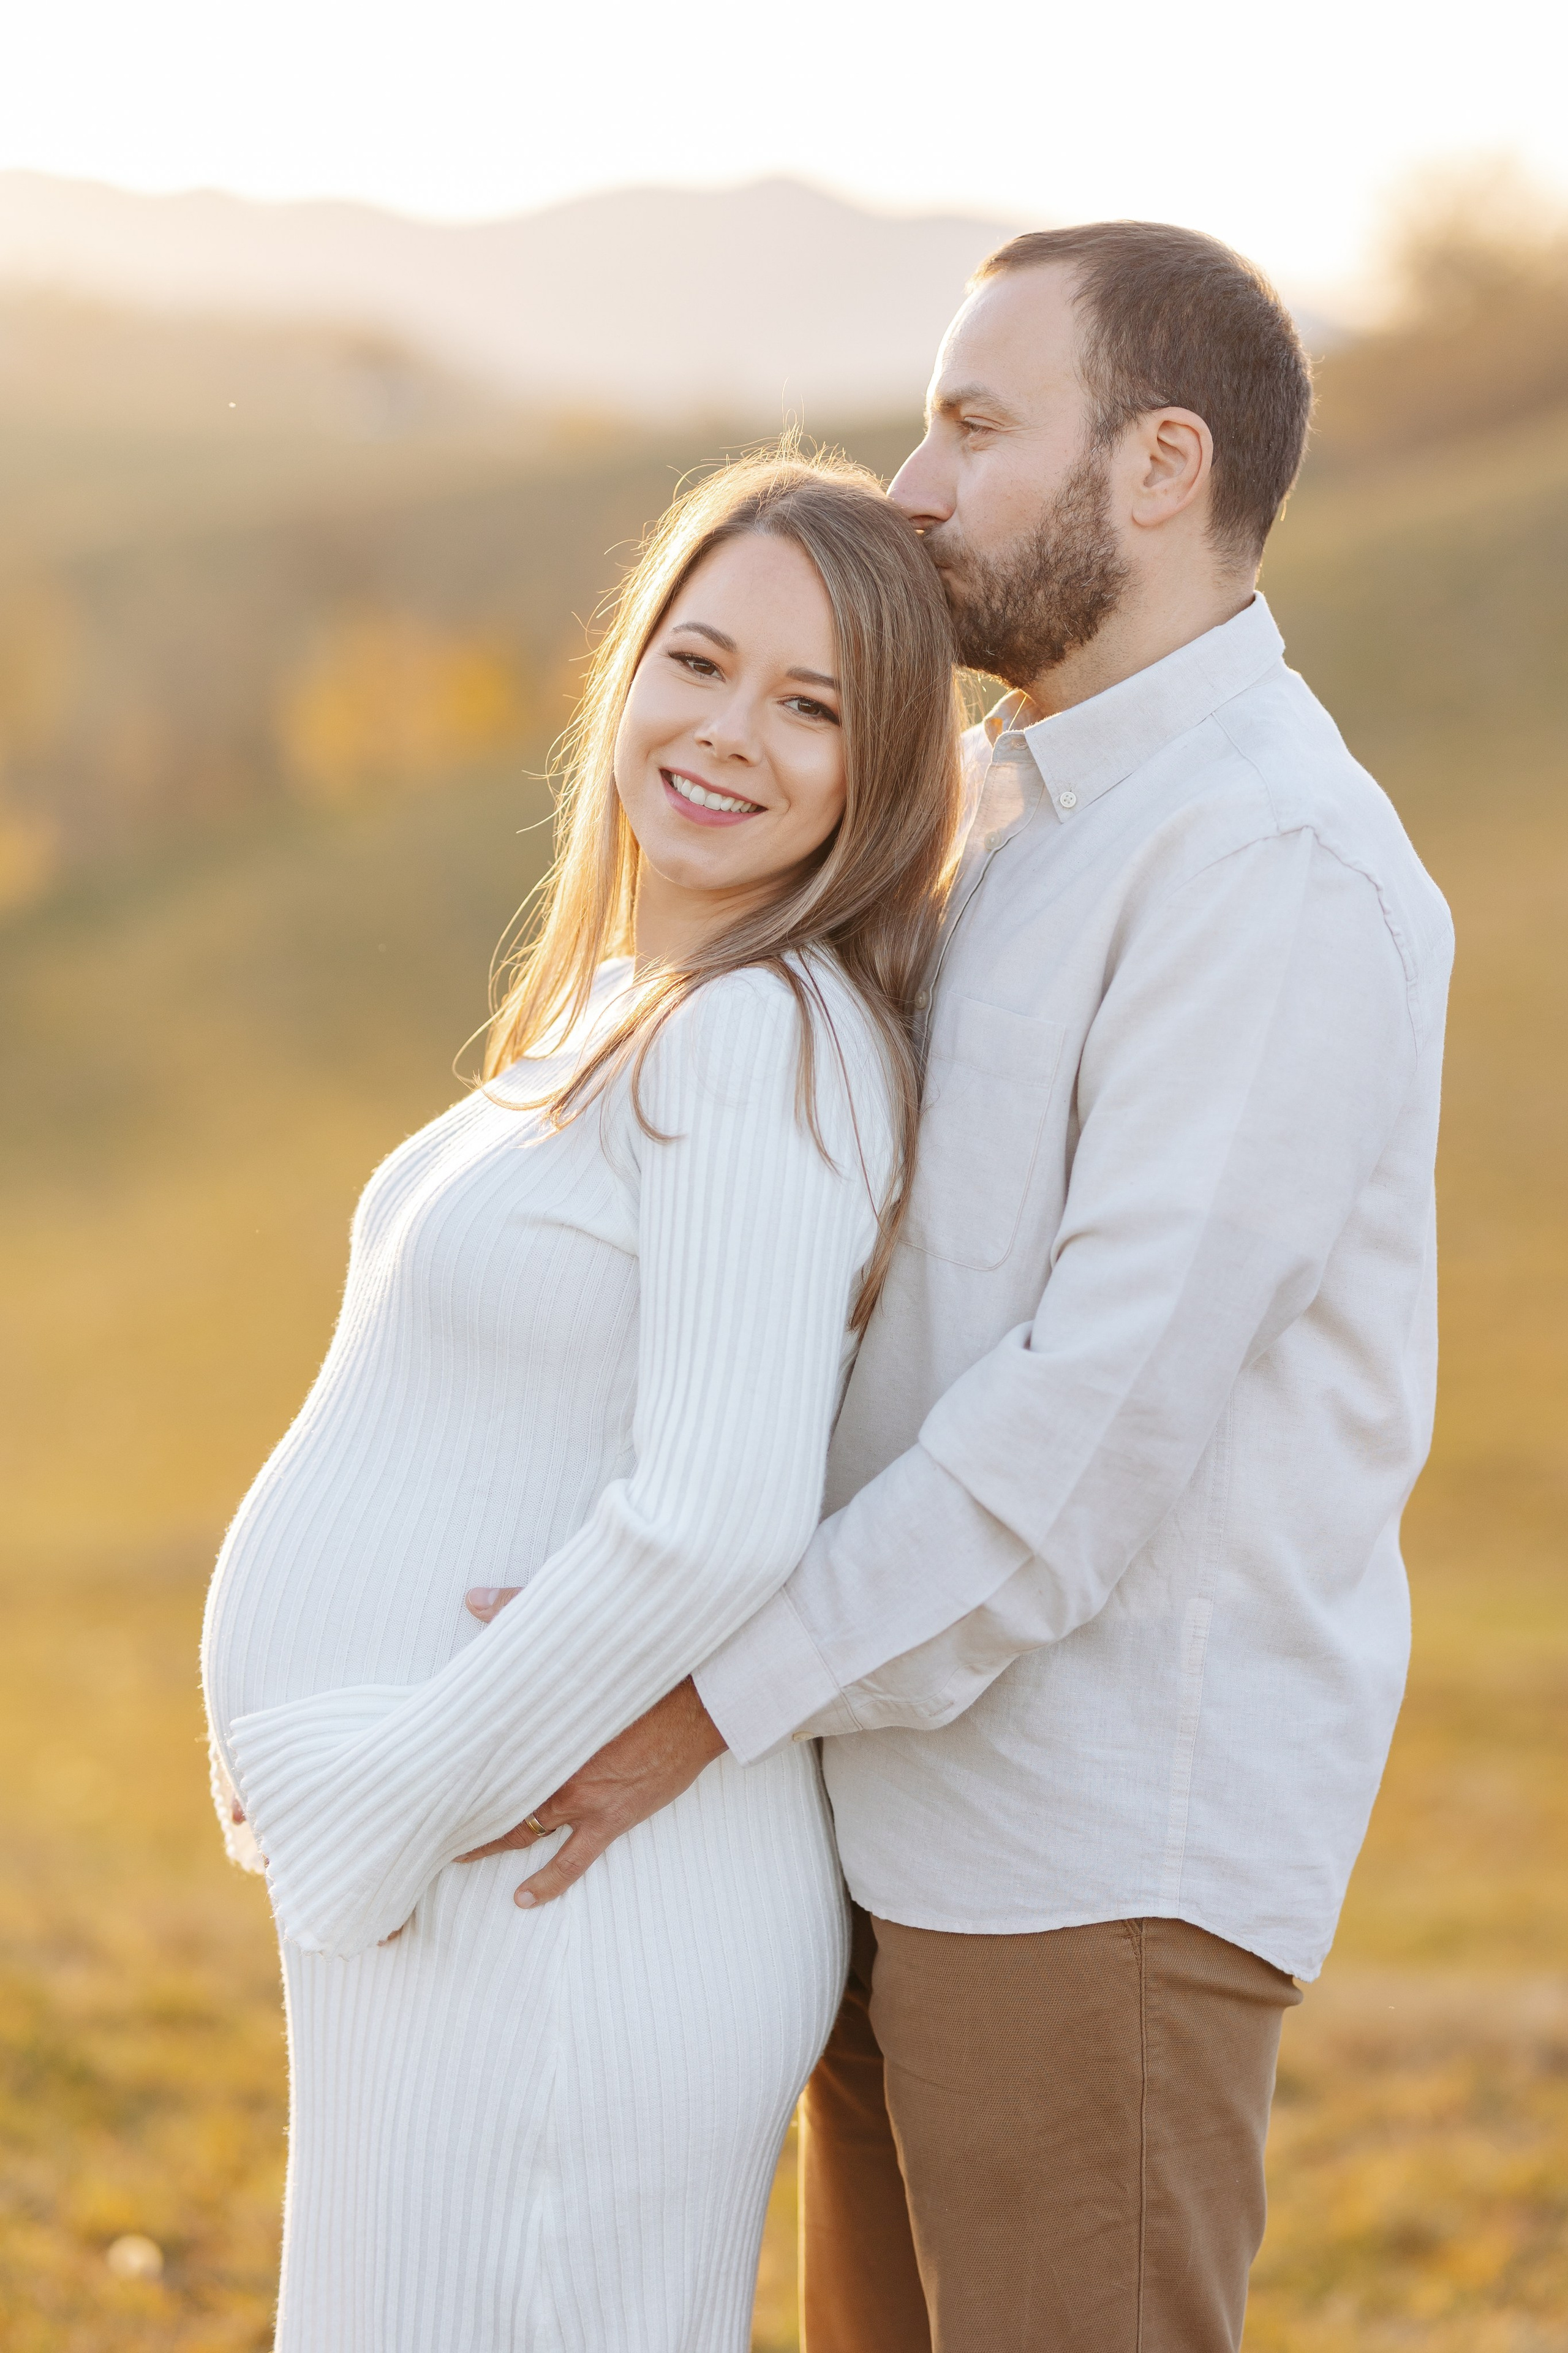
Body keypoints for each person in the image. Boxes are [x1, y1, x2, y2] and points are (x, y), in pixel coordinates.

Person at [473, 224, 1455, 2351]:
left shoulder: (1266, 867)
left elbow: (1085, 1426)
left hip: (1089, 1860)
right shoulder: (1018, 805)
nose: (913, 481)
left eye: (977, 423)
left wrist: (690, 1707)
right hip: (888, 1814)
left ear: (1162, 464)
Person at [200, 451, 965, 2351]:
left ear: (889, 774)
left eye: (813, 707)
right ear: (625, 670)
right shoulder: (644, 1006)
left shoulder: (751, 1038)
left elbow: (715, 1510)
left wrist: (386, 1789)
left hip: (561, 1903)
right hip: (492, 1893)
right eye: (699, 663)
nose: (728, 733)